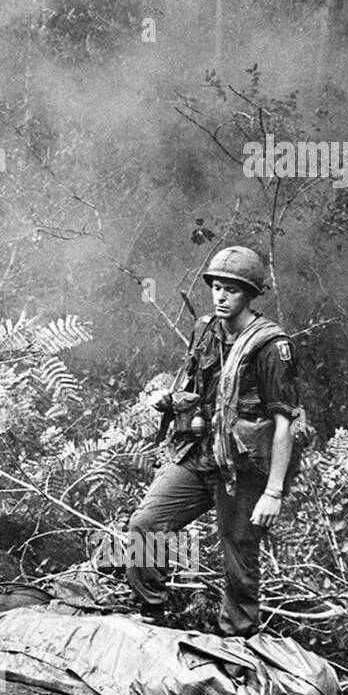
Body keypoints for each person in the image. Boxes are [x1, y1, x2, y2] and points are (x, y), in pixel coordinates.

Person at [125, 246, 301, 637]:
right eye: (216, 287)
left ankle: (236, 640)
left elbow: (284, 422)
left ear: (250, 294)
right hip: (200, 454)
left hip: (243, 468)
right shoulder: (205, 329)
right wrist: (173, 401)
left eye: (231, 290)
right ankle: (151, 613)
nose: (221, 297)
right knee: (146, 524)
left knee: (238, 553)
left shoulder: (271, 346)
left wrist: (273, 491)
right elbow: (197, 385)